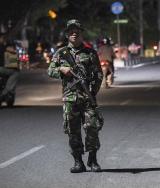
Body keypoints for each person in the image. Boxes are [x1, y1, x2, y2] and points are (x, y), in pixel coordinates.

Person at [47, 19, 104, 173]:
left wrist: (92, 92)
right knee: (73, 132)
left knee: (92, 128)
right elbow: (50, 71)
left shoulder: (90, 53)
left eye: (77, 30)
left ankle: (93, 160)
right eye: (71, 30)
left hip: (87, 98)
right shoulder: (61, 53)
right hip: (70, 99)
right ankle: (78, 162)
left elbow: (99, 74)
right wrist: (61, 70)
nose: (74, 33)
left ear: (81, 33)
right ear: (67, 34)